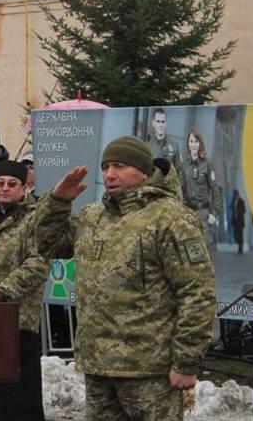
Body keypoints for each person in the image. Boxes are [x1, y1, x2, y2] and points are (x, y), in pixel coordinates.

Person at [35, 136, 217, 420]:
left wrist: (186, 361)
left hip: (149, 369)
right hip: (99, 366)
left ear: (143, 171)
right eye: (106, 167)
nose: (109, 175)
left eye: (119, 166)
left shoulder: (170, 218)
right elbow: (48, 245)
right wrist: (57, 202)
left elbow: (197, 293)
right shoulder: (92, 216)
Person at [0, 161, 48, 420]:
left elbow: (38, 263)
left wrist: (3, 291)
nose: (5, 189)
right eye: (0, 183)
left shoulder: (35, 219)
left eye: (12, 184)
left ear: (25, 187)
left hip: (17, 321)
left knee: (18, 399)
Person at [181, 129, 217, 250]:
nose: (194, 144)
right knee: (189, 251)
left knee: (205, 251)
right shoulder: (184, 165)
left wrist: (214, 213)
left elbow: (214, 189)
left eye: (196, 141)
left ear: (200, 144)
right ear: (188, 144)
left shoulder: (207, 164)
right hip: (188, 213)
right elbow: (181, 189)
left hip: (203, 214)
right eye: (191, 141)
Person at [147, 108, 183, 175]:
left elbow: (179, 170)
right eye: (158, 121)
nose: (160, 125)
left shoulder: (174, 146)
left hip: (169, 184)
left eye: (163, 122)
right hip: (152, 184)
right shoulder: (147, 147)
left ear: (166, 123)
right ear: (153, 123)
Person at [230, 189, 246, 254]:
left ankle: (240, 249)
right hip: (235, 221)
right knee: (236, 235)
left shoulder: (241, 201)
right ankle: (238, 244)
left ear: (237, 194)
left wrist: (238, 212)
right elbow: (231, 207)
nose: (234, 195)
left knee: (240, 235)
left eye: (234, 194)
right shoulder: (233, 200)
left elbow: (244, 210)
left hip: (240, 221)